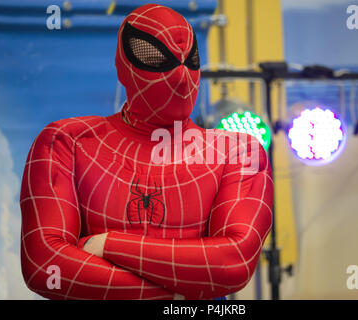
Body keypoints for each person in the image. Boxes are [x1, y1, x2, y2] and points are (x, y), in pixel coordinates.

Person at [20, 3, 273, 300]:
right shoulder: (68, 141)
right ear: (123, 66)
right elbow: (47, 266)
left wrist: (105, 245)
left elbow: (234, 262)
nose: (180, 76)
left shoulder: (240, 151)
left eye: (188, 60)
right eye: (155, 57)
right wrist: (180, 295)